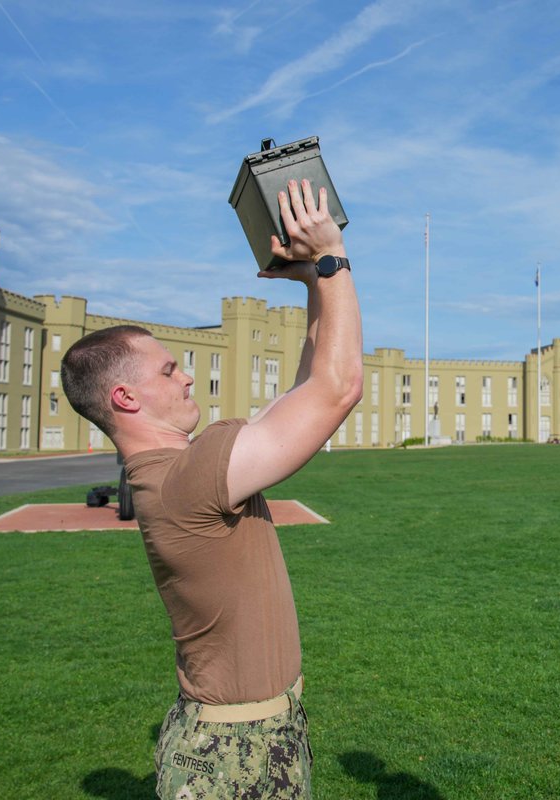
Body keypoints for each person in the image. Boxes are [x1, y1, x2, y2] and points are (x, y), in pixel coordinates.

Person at [61, 179, 362, 799]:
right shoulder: (186, 480)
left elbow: (307, 389)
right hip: (235, 757)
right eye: (170, 370)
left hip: (245, 737)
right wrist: (332, 258)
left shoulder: (178, 473)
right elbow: (338, 390)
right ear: (126, 398)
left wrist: (310, 283)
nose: (188, 374)